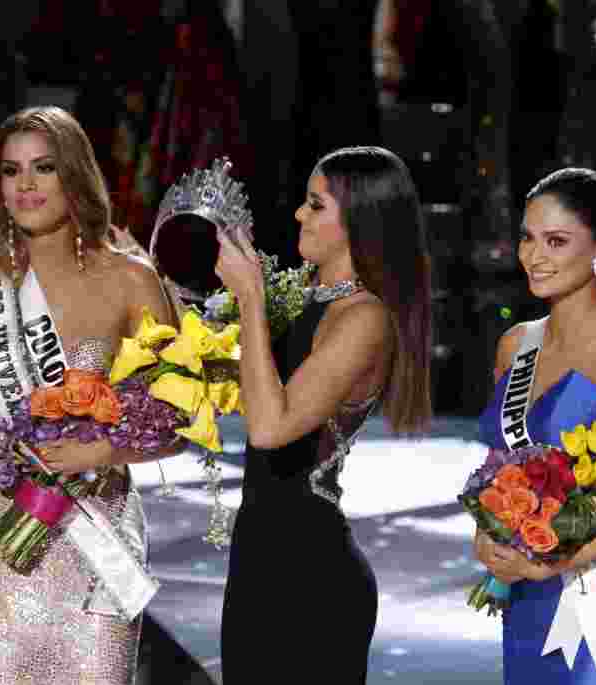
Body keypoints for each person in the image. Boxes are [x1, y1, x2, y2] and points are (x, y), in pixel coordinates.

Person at [0, 106, 177, 683]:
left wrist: (98, 452)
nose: (25, 184)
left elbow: (176, 415)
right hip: (7, 530)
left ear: (72, 173)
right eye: (10, 171)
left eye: (43, 167)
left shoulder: (129, 277)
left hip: (98, 529)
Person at [213, 145, 433, 682]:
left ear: (359, 219)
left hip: (308, 575)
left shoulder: (363, 319)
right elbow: (248, 393)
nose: (297, 215)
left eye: (315, 205)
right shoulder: (310, 298)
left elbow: (270, 429)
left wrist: (250, 301)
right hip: (261, 559)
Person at [474, 167, 596, 684]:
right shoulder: (516, 344)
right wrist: (486, 530)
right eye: (528, 238)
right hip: (525, 602)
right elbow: (498, 466)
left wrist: (551, 564)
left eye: (556, 241)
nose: (535, 256)